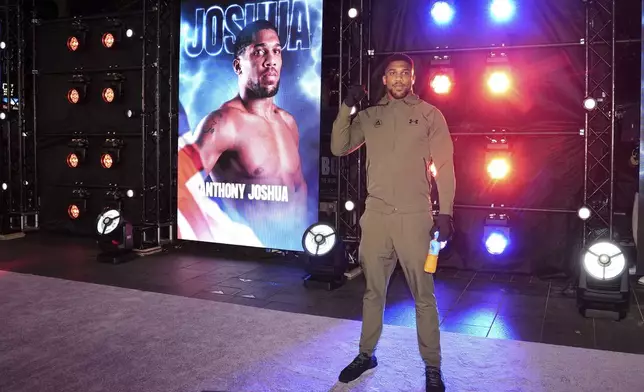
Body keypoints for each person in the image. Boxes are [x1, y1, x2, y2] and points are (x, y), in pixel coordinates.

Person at [331, 53, 455, 392]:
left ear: (413, 78)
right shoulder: (370, 116)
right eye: (392, 74)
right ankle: (366, 355)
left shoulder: (430, 114)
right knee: (373, 292)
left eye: (405, 73)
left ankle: (432, 366)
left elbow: (444, 167)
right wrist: (347, 107)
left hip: (415, 219)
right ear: (384, 79)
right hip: (377, 219)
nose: (399, 79)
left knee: (423, 297)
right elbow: (339, 146)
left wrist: (445, 212)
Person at [177, 20, 308, 249]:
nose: (271, 61)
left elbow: (298, 189)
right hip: (250, 253)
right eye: (259, 52)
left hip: (296, 248)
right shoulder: (225, 123)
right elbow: (182, 184)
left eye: (276, 51)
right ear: (238, 66)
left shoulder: (288, 122)